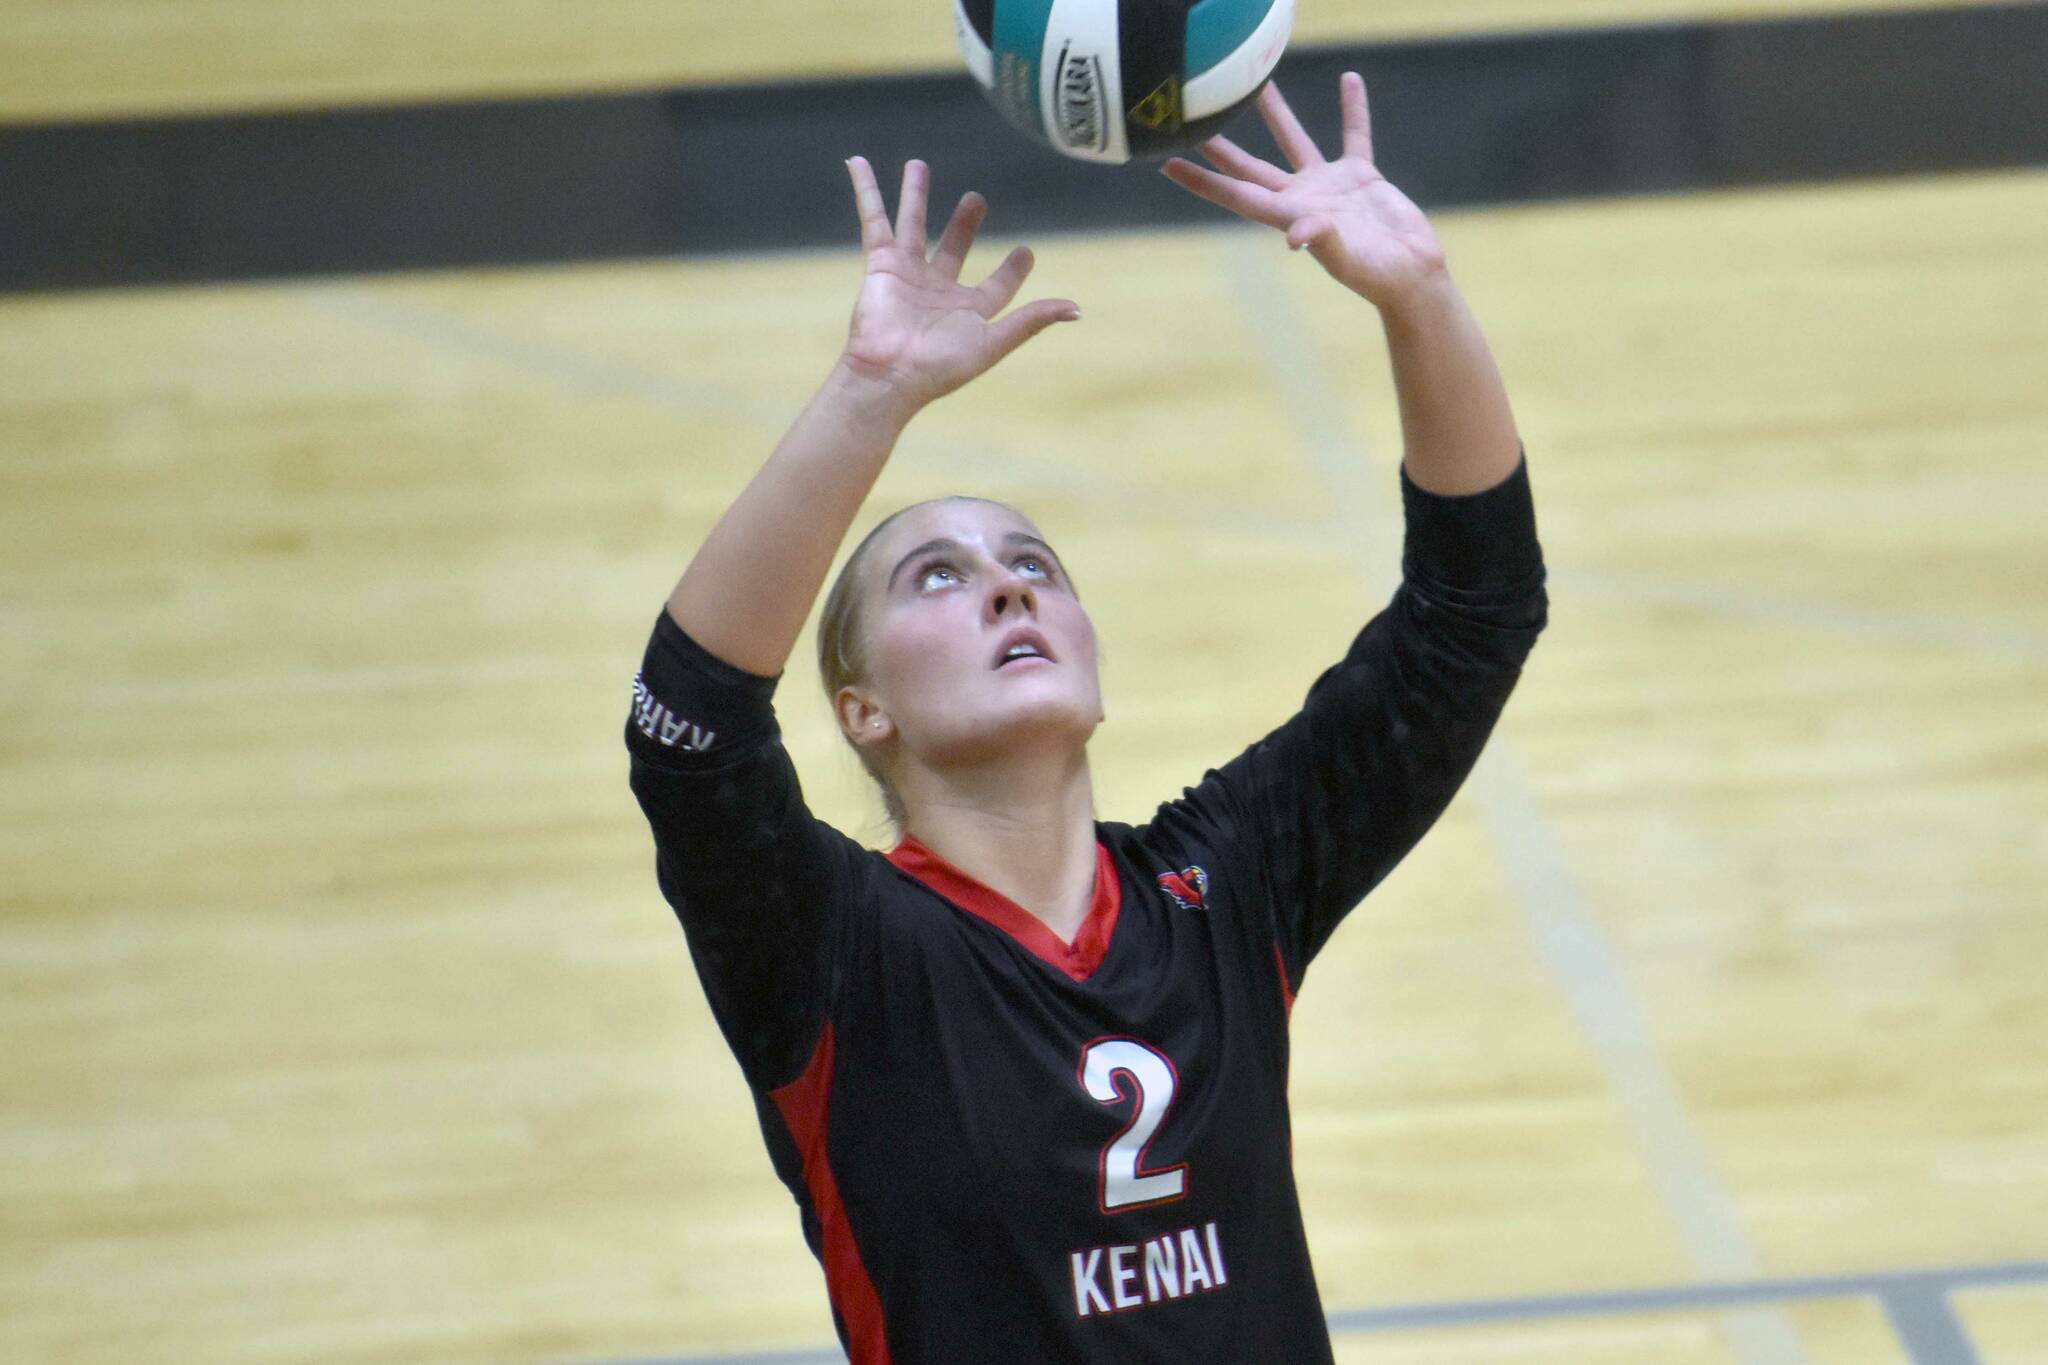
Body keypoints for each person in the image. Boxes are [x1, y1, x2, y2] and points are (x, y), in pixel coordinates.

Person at [624, 74, 1546, 1364]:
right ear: (862, 710)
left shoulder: (1221, 888)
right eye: (936, 577)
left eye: (1034, 565)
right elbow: (687, 729)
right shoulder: (844, 952)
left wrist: (1422, 298)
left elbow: (1474, 614)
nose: (1006, 582)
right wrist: (871, 394)